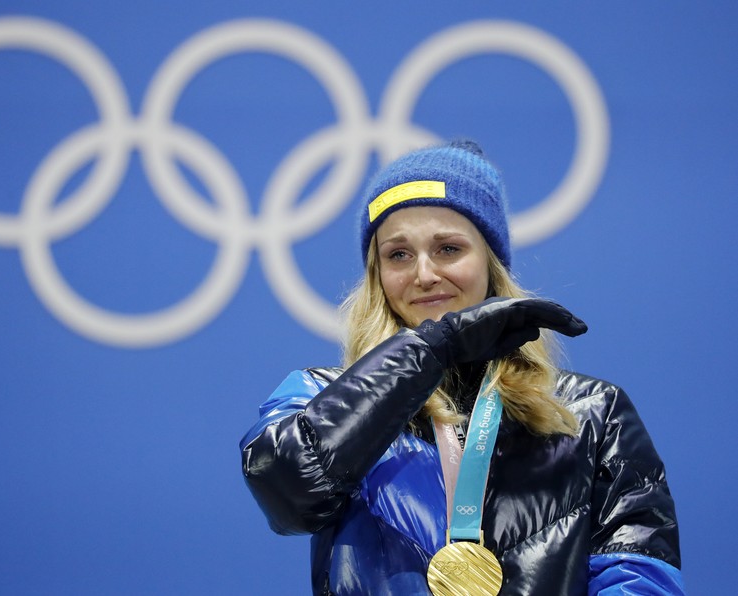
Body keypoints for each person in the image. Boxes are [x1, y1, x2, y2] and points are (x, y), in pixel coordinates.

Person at [240, 140, 684, 595]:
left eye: (448, 249)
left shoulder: (593, 411)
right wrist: (435, 348)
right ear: (377, 275)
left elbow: (640, 580)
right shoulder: (319, 397)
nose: (424, 273)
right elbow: (288, 494)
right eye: (398, 254)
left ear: (490, 262)